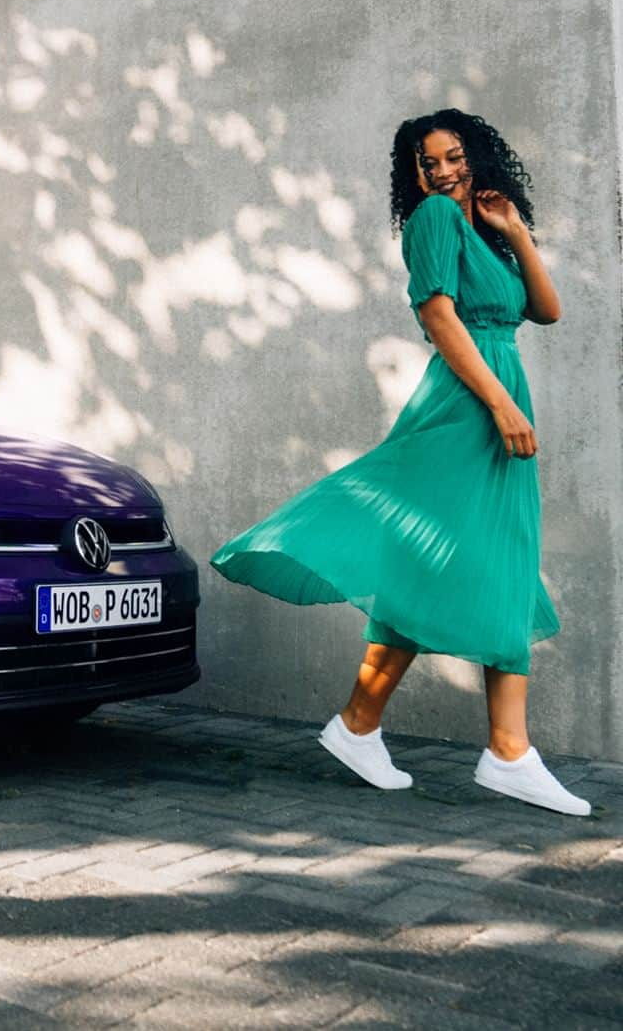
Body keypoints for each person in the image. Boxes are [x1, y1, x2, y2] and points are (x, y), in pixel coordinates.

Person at [211, 109, 590, 816]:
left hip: (492, 396)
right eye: (428, 162)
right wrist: (503, 408)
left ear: (475, 154)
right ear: (411, 173)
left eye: (453, 157)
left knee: (440, 562)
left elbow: (546, 310)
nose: (443, 171)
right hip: (471, 405)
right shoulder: (433, 223)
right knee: (493, 557)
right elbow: (439, 318)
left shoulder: (478, 229)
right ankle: (508, 751)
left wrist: (515, 232)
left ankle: (360, 726)